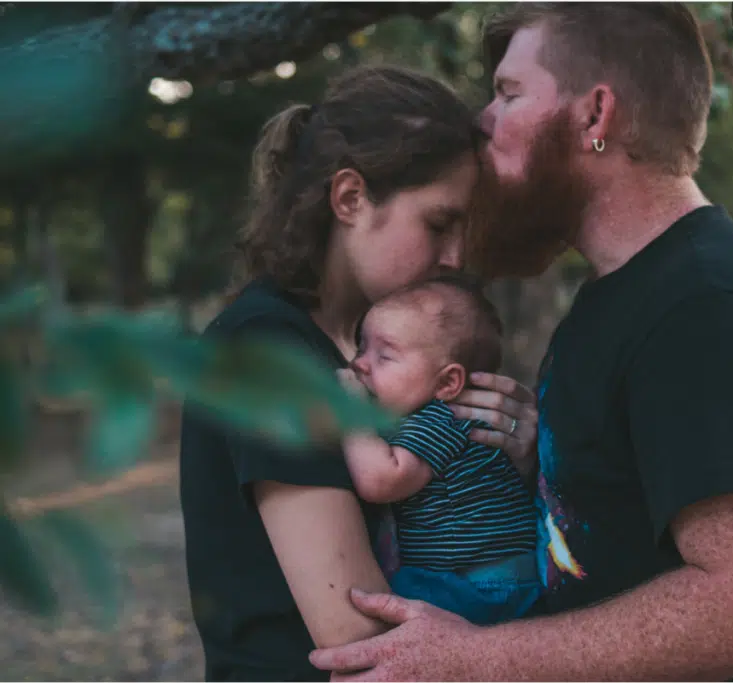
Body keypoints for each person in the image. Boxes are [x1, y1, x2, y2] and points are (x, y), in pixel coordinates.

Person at [309, 4, 733, 681]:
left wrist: (477, 658)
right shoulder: (617, 298)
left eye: (508, 94)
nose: (482, 121)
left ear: (595, 115)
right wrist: (545, 468)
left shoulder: (713, 303)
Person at [178, 65, 539, 682]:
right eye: (438, 223)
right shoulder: (269, 352)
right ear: (349, 199)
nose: (454, 257)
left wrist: (517, 462)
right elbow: (360, 638)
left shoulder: (363, 356)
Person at [339, 274, 541, 625]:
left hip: (475, 584)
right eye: (361, 347)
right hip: (495, 579)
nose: (359, 363)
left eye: (384, 355)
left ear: (448, 382)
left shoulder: (442, 417)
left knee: (384, 613)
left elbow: (381, 480)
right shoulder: (443, 414)